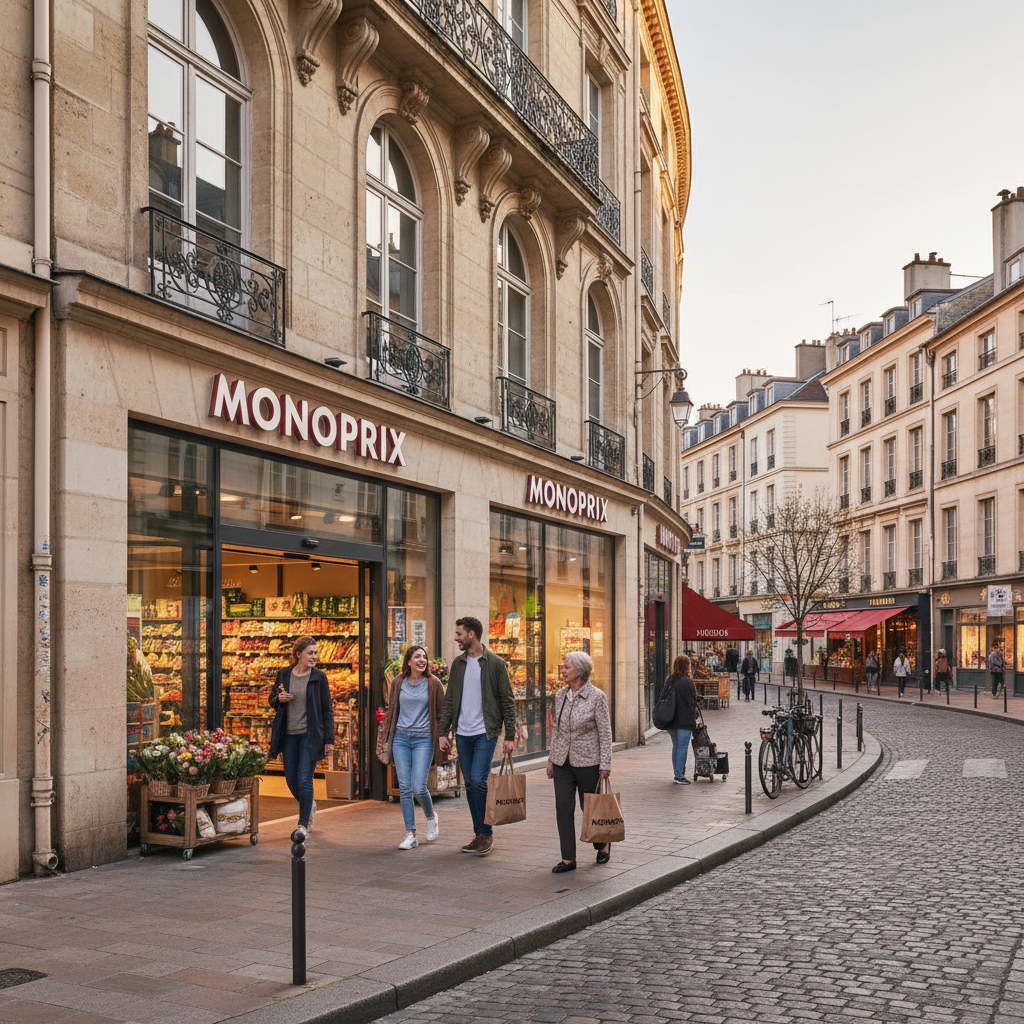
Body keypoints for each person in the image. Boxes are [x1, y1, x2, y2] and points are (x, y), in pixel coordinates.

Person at [438, 616, 517, 857]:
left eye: (459, 633)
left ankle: (486, 833)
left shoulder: (495, 664)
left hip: (485, 732)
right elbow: (450, 699)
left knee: (478, 779)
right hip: (462, 733)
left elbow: (507, 700)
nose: (456, 638)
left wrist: (510, 735)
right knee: (470, 783)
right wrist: (443, 732)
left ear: (471, 634)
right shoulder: (458, 663)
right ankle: (479, 834)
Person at [545, 651, 613, 872]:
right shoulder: (560, 695)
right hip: (562, 762)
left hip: (588, 762)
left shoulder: (597, 697)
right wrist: (551, 760)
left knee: (590, 809)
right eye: (563, 667)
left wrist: (605, 764)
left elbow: (605, 733)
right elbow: (556, 730)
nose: (563, 671)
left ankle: (603, 844)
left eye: (567, 667)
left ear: (580, 671)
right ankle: (568, 858)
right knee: (563, 809)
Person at [378, 645, 444, 850]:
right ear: (409, 661)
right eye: (417, 657)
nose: (422, 660)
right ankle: (411, 834)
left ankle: (431, 817)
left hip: (424, 739)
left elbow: (441, 713)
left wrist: (443, 736)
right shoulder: (398, 682)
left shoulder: (434, 683)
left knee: (418, 786)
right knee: (405, 788)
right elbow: (393, 709)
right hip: (401, 738)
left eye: (424, 657)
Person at [268, 636, 334, 834]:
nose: (314, 657)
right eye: (310, 653)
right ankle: (309, 804)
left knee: (305, 779)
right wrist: (279, 699)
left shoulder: (319, 677)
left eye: (316, 653)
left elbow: (327, 710)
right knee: (291, 780)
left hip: (310, 735)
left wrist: (329, 740)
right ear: (298, 654)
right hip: (288, 735)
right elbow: (272, 699)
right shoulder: (284, 674)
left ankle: (302, 824)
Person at [664, 654, 698, 784]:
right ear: (687, 666)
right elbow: (693, 702)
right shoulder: (688, 681)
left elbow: (662, 697)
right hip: (684, 719)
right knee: (682, 747)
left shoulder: (670, 680)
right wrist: (696, 717)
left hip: (671, 719)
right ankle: (679, 775)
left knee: (676, 746)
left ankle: (677, 772)